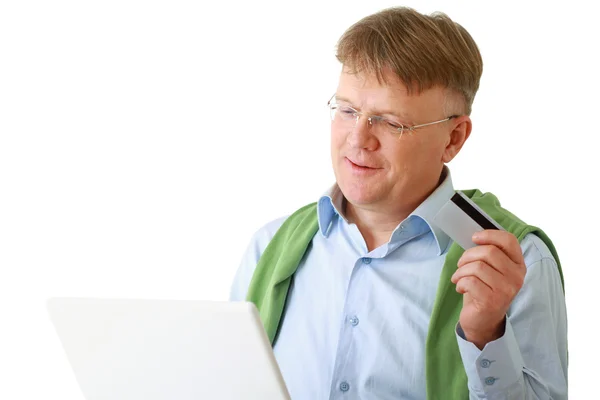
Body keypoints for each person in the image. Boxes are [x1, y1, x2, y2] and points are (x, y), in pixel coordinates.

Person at [230, 6, 567, 399]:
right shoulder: (270, 247)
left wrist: (486, 335)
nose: (358, 139)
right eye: (348, 110)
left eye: (390, 122)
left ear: (453, 139)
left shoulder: (516, 263)